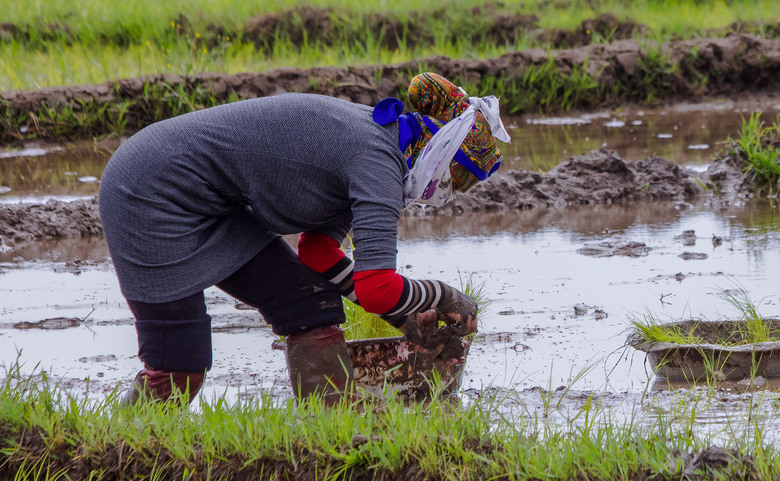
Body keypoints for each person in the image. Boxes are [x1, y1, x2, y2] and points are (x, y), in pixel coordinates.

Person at [98, 72, 508, 405]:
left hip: (208, 203)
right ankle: (113, 456)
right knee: (178, 368)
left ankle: (331, 439)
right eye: (459, 175)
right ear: (440, 148)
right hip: (149, 192)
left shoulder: (381, 146)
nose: (450, 189)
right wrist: (444, 297)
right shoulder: (378, 161)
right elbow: (378, 288)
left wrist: (402, 314)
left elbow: (317, 252)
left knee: (308, 304)